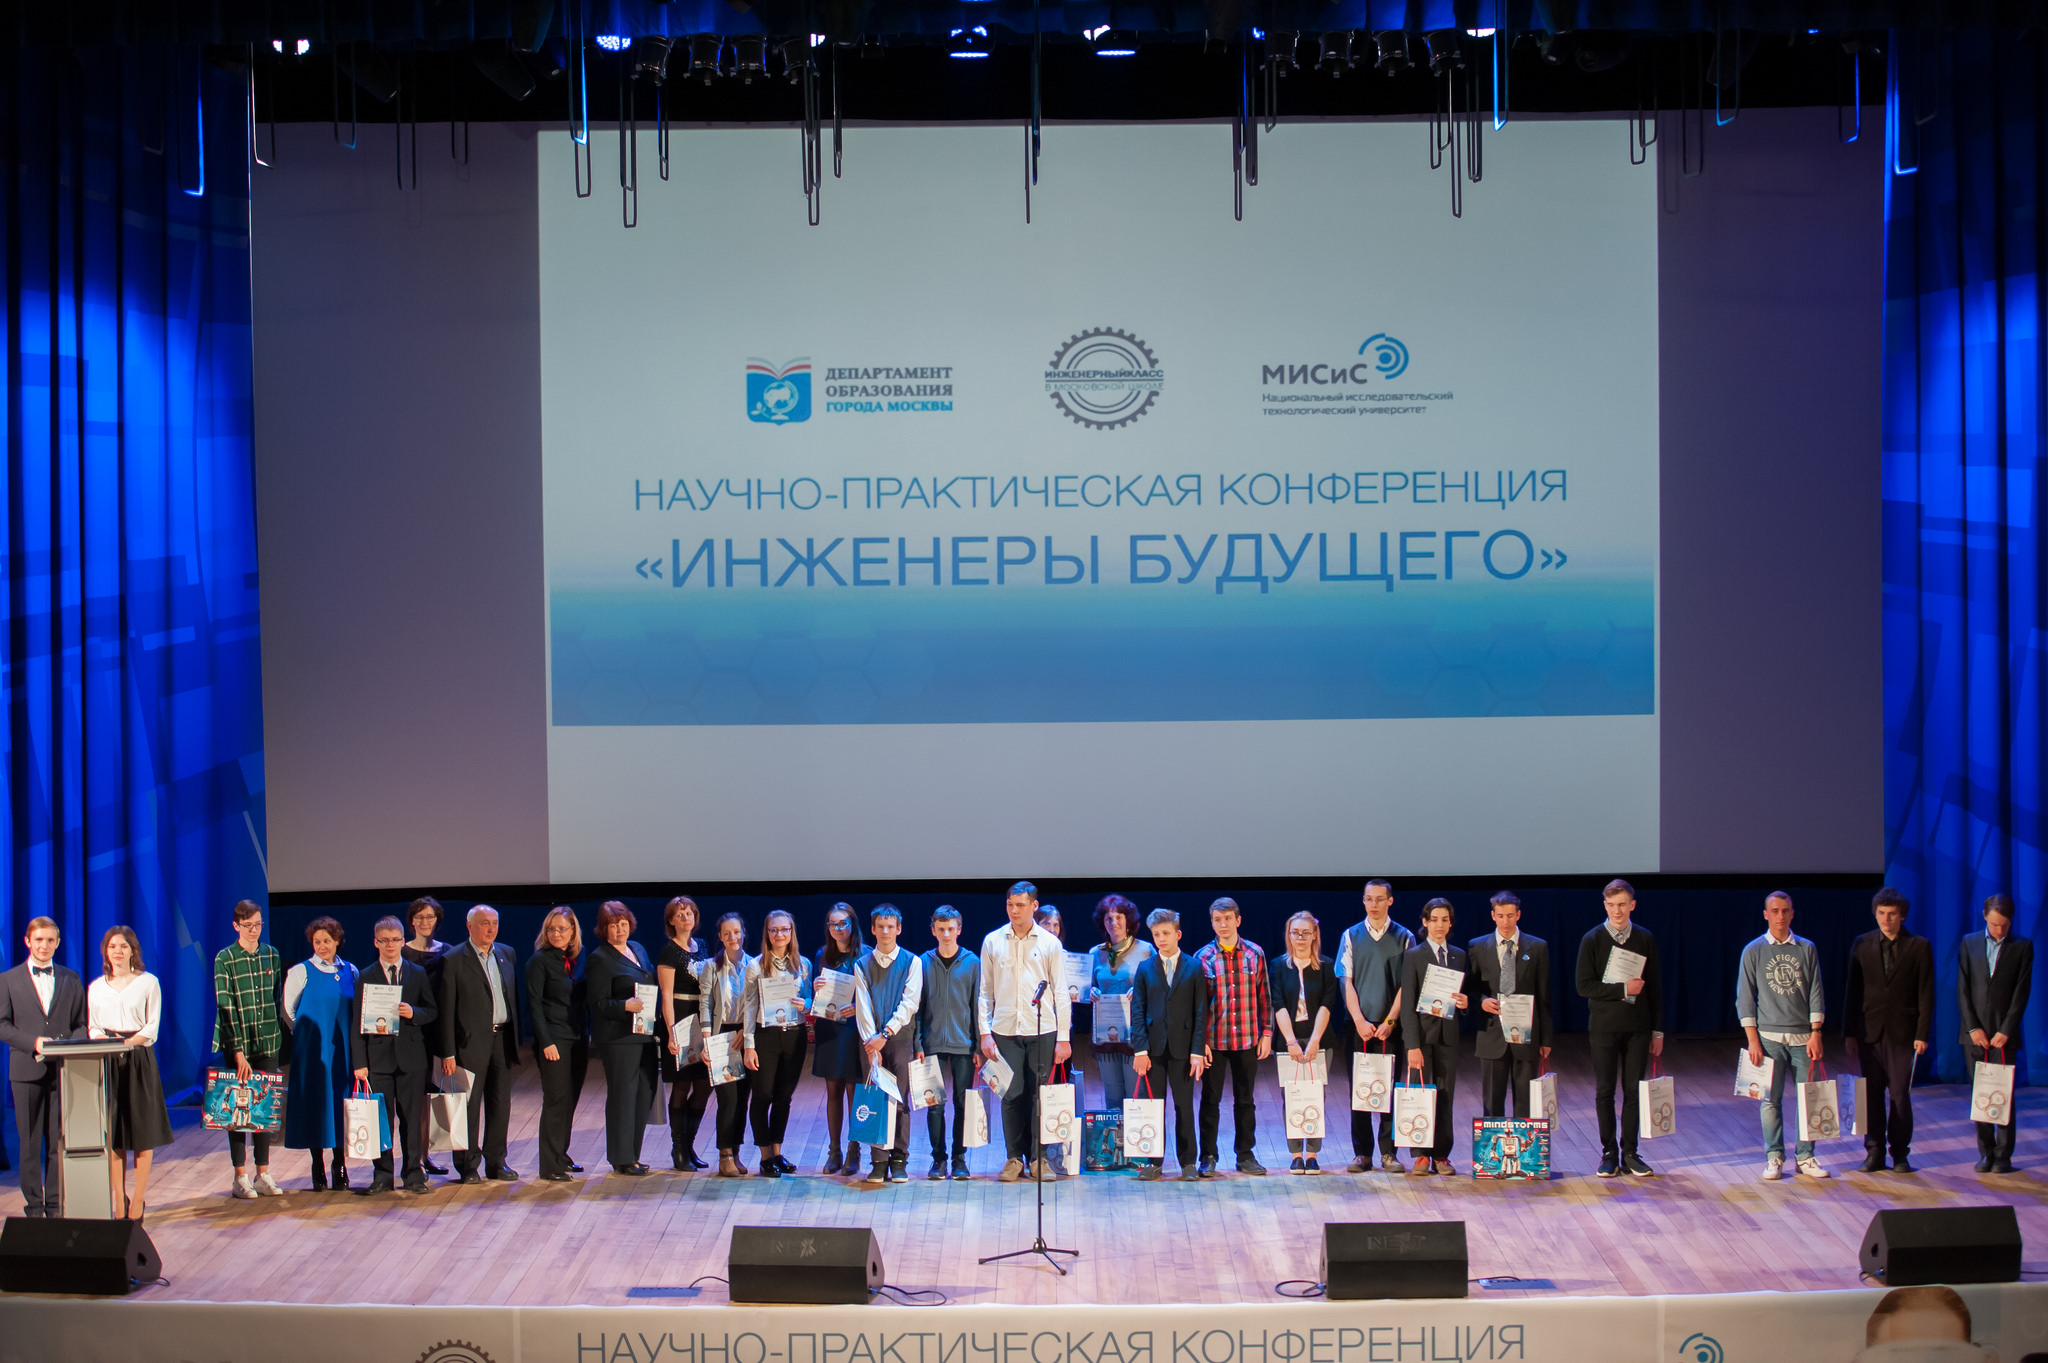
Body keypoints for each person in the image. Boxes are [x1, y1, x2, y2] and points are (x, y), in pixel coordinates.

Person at [978, 880, 1072, 1183]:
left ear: (1034, 906)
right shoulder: (993, 941)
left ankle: (1038, 1158)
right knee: (1011, 1094)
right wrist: (985, 1032)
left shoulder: (1049, 943)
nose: (1014, 910)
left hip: (1042, 1029)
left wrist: (1064, 1037)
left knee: (1039, 1095)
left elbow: (1060, 993)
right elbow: (985, 991)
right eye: (1010, 904)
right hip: (1005, 1030)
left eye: (1020, 905)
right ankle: (1013, 1158)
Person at [1735, 891, 1828, 1181]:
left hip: (1803, 1037)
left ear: (1792, 913)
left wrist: (1816, 1032)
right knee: (1770, 1100)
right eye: (1774, 911)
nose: (1780, 916)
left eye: (1785, 911)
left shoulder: (1806, 948)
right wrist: (1752, 1039)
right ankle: (1774, 1156)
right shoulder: (1753, 950)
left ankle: (1806, 1156)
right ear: (1766, 915)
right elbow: (1744, 998)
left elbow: (1816, 992)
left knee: (1808, 1098)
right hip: (1768, 1039)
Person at [1575, 879, 1664, 1178]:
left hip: (1638, 1028)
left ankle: (1630, 1153)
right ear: (1605, 905)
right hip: (1604, 1028)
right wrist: (1622, 989)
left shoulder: (1644, 938)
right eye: (1612, 905)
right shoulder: (1592, 939)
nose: (1617, 910)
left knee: (1633, 1090)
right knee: (1605, 1091)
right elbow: (1584, 986)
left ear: (1632, 905)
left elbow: (1655, 988)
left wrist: (1657, 1031)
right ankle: (1609, 1153)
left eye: (1622, 904)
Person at [0, 917, 88, 1216]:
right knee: (29, 1143)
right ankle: (34, 1208)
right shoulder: (8, 979)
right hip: (25, 1071)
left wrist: (66, 1047)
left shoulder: (70, 978)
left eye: (50, 940)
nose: (44, 946)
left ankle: (55, 1206)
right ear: (28, 941)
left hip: (61, 1071)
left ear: (58, 943)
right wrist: (34, 1042)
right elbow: (2, 1025)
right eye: (39, 940)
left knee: (57, 1142)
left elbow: (80, 1024)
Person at [1844, 886, 1934, 1174]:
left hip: (1903, 1033)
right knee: (1871, 1094)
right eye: (1881, 913)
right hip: (1869, 1032)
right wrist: (1849, 1033)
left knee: (1899, 1095)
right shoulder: (1862, 943)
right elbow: (1853, 991)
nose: (1886, 919)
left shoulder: (1919, 946)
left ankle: (1900, 1153)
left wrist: (1922, 1033)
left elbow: (1926, 993)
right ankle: (1874, 1151)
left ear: (1902, 916)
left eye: (1892, 914)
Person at [89, 926, 174, 1218]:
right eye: (112, 946)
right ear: (106, 951)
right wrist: (108, 1043)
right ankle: (118, 1199)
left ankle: (138, 1199)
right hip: (108, 1060)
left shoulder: (148, 982)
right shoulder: (96, 987)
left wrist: (129, 1042)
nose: (118, 951)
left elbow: (152, 1026)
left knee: (141, 1132)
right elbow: (93, 1026)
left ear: (133, 951)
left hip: (138, 1058)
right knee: (114, 1134)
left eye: (123, 946)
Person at [349, 916, 438, 1194]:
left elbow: (431, 1011)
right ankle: (382, 1175)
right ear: (376, 942)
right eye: (384, 940)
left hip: (411, 1059)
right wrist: (360, 1063)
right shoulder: (366, 975)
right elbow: (357, 1023)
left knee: (411, 1120)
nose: (390, 945)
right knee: (381, 1121)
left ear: (403, 941)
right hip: (378, 1061)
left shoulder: (417, 973)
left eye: (395, 940)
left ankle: (413, 1175)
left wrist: (414, 1013)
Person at [439, 904, 522, 1183]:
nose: (491, 928)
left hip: (502, 1038)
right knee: (469, 1106)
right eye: (485, 923)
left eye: (494, 923)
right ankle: (468, 1166)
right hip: (469, 1044)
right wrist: (448, 1052)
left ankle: (496, 1162)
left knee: (500, 1103)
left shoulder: (506, 954)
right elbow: (446, 1010)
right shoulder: (453, 959)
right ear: (469, 926)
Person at [1336, 880, 1413, 1174]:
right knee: (1360, 1090)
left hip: (1390, 1027)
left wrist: (1390, 1021)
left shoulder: (1404, 937)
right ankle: (1362, 1153)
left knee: (1388, 1090)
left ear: (1390, 901)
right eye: (1369, 899)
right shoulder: (1350, 935)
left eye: (1379, 899)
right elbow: (1346, 981)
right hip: (1359, 1027)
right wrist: (1359, 1020)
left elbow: (1407, 985)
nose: (1374, 904)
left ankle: (1389, 1153)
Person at [1130, 908, 1210, 1180]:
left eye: (1165, 933)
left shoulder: (1194, 967)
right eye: (1156, 934)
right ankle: (1154, 1161)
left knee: (1184, 1107)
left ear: (1178, 934)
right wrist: (1140, 1050)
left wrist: (1197, 1051)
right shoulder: (1144, 968)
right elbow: (1137, 1011)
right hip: (1152, 1050)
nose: (1161, 939)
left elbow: (1200, 1012)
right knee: (1154, 1107)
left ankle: (1188, 1163)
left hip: (1183, 1050)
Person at [212, 899, 285, 1199]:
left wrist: (274, 1033)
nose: (254, 930)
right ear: (236, 926)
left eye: (258, 925)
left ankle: (263, 1173)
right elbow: (225, 1005)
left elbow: (275, 996)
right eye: (248, 925)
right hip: (238, 1042)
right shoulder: (225, 958)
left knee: (263, 1107)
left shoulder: (271, 954)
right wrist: (238, 1051)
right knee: (239, 1108)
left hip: (267, 1039)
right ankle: (239, 1176)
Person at [1196, 897, 1272, 1177]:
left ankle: (1245, 1154)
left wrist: (1267, 1032)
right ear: (1212, 923)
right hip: (1215, 1041)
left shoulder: (1255, 953)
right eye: (1217, 920)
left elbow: (1265, 996)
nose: (1223, 924)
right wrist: (1200, 1042)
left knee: (1245, 1100)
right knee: (1210, 1100)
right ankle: (1208, 1156)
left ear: (1238, 920)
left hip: (1247, 1038)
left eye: (1228, 918)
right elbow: (1198, 1005)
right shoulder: (1203, 957)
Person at [1958, 893, 2033, 1174]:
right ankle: (1986, 1152)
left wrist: (2006, 1029)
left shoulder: (2022, 946)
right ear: (1984, 916)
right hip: (1974, 1035)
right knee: (1980, 1093)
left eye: (2005, 925)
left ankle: (2003, 1155)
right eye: (1994, 924)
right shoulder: (1969, 942)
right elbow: (1963, 989)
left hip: (2004, 1036)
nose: (2000, 930)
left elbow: (2021, 993)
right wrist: (1973, 1027)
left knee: (2003, 1094)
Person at [283, 917, 359, 1191]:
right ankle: (317, 1164)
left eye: (327, 940)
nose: (322, 946)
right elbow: (289, 1011)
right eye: (317, 942)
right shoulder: (300, 972)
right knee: (316, 1104)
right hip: (314, 1051)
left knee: (340, 1105)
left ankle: (339, 1164)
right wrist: (306, 1037)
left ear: (337, 940)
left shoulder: (351, 971)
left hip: (342, 1051)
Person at [854, 903, 925, 1184]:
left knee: (900, 1100)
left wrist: (885, 1035)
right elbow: (862, 1006)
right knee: (875, 1098)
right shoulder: (862, 964)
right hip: (871, 1042)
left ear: (899, 929)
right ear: (873, 930)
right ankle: (878, 1161)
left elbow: (910, 1003)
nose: (885, 931)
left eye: (890, 926)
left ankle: (898, 1159)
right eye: (880, 926)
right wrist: (872, 1044)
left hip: (899, 1039)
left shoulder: (912, 962)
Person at [586, 901, 658, 1176]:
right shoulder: (600, 958)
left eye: (624, 924)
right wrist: (624, 1006)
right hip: (619, 1038)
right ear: (604, 929)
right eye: (614, 926)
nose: (620, 930)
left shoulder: (637, 948)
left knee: (644, 1094)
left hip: (644, 1033)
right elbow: (597, 1002)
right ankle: (621, 1158)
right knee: (623, 1097)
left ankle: (633, 1155)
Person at [1468, 891, 1552, 1120]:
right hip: (1492, 1035)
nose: (1505, 922)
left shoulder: (1537, 947)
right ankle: (1494, 1144)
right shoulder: (1477, 947)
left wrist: (1546, 1039)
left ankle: (1523, 1144)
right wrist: (1482, 1001)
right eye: (1501, 916)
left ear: (1518, 915)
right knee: (1492, 1104)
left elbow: (1544, 996)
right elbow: (1470, 989)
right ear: (1493, 916)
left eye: (1510, 916)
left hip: (1526, 1036)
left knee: (1525, 1103)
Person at [1400, 899, 1468, 1176]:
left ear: (1450, 924)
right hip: (1422, 1038)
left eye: (1445, 920)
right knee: (1421, 1093)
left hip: (1448, 1037)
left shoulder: (1459, 956)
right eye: (1434, 919)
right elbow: (1407, 1004)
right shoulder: (1414, 956)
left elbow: (1463, 995)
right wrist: (1412, 1045)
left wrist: (1464, 1003)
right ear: (1425, 922)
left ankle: (1441, 1154)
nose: (1439, 925)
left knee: (1445, 1095)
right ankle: (1420, 1155)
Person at [744, 909, 813, 1178]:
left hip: (794, 1034)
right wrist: (749, 1044)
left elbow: (810, 999)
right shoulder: (756, 966)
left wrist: (806, 1003)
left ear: (791, 932)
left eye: (784, 929)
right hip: (766, 1035)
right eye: (774, 930)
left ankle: (777, 1151)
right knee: (762, 1095)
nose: (779, 934)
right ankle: (765, 1157)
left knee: (784, 1097)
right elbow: (750, 1007)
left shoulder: (803, 964)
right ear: (767, 933)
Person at [916, 904, 982, 1180]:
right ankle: (938, 1159)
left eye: (950, 929)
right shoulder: (922, 962)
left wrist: (978, 1046)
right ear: (933, 930)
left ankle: (959, 1158)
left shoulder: (972, 962)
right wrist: (918, 1044)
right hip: (931, 1045)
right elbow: (916, 1007)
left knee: (962, 1103)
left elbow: (978, 1005)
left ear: (959, 930)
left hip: (963, 1045)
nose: (946, 934)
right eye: (941, 929)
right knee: (935, 1105)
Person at [527, 907, 588, 1183]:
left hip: (577, 1037)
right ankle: (549, 1165)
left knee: (570, 1099)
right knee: (555, 1100)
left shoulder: (577, 958)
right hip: (554, 1039)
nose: (556, 934)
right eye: (551, 929)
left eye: (562, 929)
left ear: (573, 931)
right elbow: (535, 1006)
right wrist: (546, 1041)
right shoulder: (539, 961)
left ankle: (561, 1155)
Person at [1271, 912, 1335, 1173]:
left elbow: (1327, 1003)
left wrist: (1315, 1040)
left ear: (1314, 935)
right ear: (1289, 935)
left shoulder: (1326, 966)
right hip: (1289, 1042)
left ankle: (1313, 1155)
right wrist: (1291, 1042)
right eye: (1295, 932)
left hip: (1320, 1041)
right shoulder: (1278, 966)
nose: (1300, 937)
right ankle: (1296, 1154)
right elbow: (1278, 1004)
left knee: (1316, 1096)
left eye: (1305, 933)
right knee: (1292, 1097)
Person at [402, 895, 458, 1177]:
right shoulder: (400, 951)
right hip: (410, 1030)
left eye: (430, 917)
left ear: (437, 920)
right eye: (420, 917)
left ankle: (426, 1155)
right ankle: (415, 1159)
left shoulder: (447, 952)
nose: (425, 921)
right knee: (415, 1099)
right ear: (411, 921)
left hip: (438, 1030)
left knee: (433, 1095)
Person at [656, 895, 712, 1170]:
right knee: (682, 1084)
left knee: (704, 1085)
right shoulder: (668, 951)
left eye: (689, 913)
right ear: (671, 921)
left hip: (702, 1018)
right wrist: (670, 1032)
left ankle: (689, 1145)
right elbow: (666, 995)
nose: (685, 918)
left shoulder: (702, 946)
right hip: (679, 1018)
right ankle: (678, 1150)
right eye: (679, 915)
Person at [1086, 895, 1153, 1120]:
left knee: (1135, 1095)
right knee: (1112, 1096)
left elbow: (1158, 988)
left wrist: (1142, 991)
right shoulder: (1095, 953)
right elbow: (1086, 989)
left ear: (1128, 920)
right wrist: (1091, 992)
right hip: (1106, 1035)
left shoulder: (1146, 950)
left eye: (1119, 917)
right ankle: (1116, 1142)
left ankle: (1137, 1141)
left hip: (1135, 1035)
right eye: (1108, 918)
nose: (1113, 922)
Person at [699, 912, 756, 1177]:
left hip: (747, 1034)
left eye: (736, 932)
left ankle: (736, 1151)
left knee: (742, 1098)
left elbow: (758, 1002)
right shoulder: (711, 967)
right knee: (728, 1098)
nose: (733, 937)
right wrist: (707, 1040)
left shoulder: (754, 965)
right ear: (720, 937)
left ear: (743, 933)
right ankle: (724, 1155)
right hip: (721, 1035)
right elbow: (705, 1003)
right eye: (727, 933)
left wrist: (746, 1031)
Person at [811, 903, 866, 1175]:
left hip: (855, 1030)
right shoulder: (822, 955)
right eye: (833, 924)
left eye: (843, 923)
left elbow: (874, 995)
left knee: (854, 1092)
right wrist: (816, 988)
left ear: (852, 925)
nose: (838, 928)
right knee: (833, 1091)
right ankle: (834, 1151)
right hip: (830, 1029)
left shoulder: (866, 955)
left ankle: (854, 1150)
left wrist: (859, 1007)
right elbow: (816, 998)